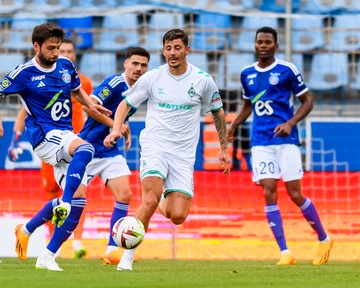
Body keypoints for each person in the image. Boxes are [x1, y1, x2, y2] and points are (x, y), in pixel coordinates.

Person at [0, 22, 111, 271]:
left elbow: (79, 94)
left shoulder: (66, 66)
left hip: (65, 136)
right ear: (36, 46)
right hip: (46, 138)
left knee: (79, 204)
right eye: (51, 48)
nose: (56, 53)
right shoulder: (24, 73)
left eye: (58, 47)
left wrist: (105, 117)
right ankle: (64, 202)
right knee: (86, 150)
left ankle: (39, 246)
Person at [104, 29, 231, 270]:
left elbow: (218, 113)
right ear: (163, 51)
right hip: (155, 145)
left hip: (183, 155)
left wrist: (224, 147)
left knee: (178, 216)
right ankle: (126, 259)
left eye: (177, 48)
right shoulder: (153, 78)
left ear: (187, 50)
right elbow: (124, 104)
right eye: (168, 48)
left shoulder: (203, 80)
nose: (172, 53)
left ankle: (163, 196)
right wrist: (116, 129)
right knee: (148, 200)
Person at [226, 26, 333, 266]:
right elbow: (248, 105)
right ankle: (285, 252)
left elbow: (308, 101)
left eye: (267, 42)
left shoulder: (287, 70)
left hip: (286, 140)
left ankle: (324, 239)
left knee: (294, 194)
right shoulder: (247, 74)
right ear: (254, 45)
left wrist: (291, 122)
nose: (263, 45)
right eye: (259, 42)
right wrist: (234, 124)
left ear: (275, 45)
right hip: (261, 141)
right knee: (268, 191)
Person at [7, 38, 93, 259]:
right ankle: (47, 236)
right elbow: (25, 112)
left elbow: (90, 108)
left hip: (74, 141)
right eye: (58, 49)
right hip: (51, 140)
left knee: (77, 194)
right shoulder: (37, 78)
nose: (62, 53)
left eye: (67, 51)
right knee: (55, 192)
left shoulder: (82, 81)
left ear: (74, 55)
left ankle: (76, 241)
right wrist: (14, 140)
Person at [76, 47, 150, 269]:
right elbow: (88, 106)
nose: (138, 68)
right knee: (73, 201)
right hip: (87, 147)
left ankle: (112, 250)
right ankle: (45, 238)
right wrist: (117, 127)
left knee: (125, 195)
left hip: (109, 150)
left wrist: (120, 131)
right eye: (135, 63)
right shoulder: (114, 83)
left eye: (143, 65)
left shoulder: (139, 90)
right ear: (125, 63)